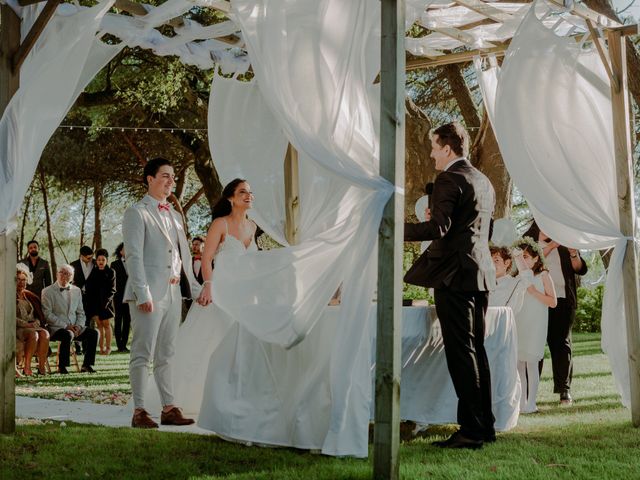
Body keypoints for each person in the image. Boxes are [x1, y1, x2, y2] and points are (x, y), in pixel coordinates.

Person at [404, 122, 496, 449]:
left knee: (461, 353)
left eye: (433, 148)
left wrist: (392, 228)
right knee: (476, 351)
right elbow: (479, 231)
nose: (431, 154)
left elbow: (438, 229)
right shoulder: (482, 180)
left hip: (455, 277)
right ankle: (485, 426)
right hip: (480, 274)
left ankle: (471, 431)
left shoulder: (448, 178)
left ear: (447, 148)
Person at [122, 157, 201, 429]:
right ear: (150, 179)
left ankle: (168, 407)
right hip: (148, 293)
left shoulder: (175, 215)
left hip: (173, 291)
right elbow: (133, 256)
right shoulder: (137, 212)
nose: (171, 181)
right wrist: (143, 293)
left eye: (173, 177)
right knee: (143, 352)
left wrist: (194, 285)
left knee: (167, 353)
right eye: (165, 175)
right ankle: (140, 410)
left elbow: (184, 256)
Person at [524, 220, 588, 405]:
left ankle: (564, 389)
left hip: (563, 298)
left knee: (562, 344)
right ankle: (530, 391)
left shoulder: (565, 236)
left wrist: (573, 253)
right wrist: (551, 245)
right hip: (536, 299)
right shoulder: (529, 241)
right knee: (535, 343)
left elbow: (580, 269)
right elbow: (525, 262)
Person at [512, 239, 557, 414]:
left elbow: (553, 302)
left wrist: (534, 292)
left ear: (536, 259)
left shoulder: (544, 275)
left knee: (531, 362)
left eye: (525, 256)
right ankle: (522, 402)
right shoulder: (518, 277)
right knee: (519, 363)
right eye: (520, 256)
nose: (522, 260)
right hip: (520, 320)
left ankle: (532, 402)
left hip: (536, 322)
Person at [41, 264, 98, 374]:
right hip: (56, 328)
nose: (64, 276)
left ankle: (86, 365)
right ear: (57, 274)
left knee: (94, 333)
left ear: (72, 277)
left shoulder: (77, 291)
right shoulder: (47, 291)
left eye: (68, 274)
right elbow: (47, 314)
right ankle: (62, 367)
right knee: (67, 334)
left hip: (75, 327)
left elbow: (81, 312)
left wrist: (78, 326)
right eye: (62, 272)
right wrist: (66, 326)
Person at [16, 264, 50, 376]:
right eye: (19, 280)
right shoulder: (9, 296)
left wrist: (37, 322)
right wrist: (26, 325)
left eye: (24, 280)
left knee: (45, 333)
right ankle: (27, 367)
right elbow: (10, 317)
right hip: (18, 327)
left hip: (32, 325)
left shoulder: (29, 295)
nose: (21, 282)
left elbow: (37, 313)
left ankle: (41, 367)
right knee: (33, 334)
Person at [86, 248, 116, 355]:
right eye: (99, 260)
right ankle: (101, 348)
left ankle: (108, 348)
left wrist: (106, 302)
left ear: (106, 260)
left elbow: (112, 289)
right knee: (99, 325)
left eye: (103, 259)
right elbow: (88, 287)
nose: (101, 262)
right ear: (96, 261)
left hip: (106, 303)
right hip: (95, 303)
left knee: (106, 325)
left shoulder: (111, 272)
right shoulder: (93, 271)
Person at [111, 243, 131, 353]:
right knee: (118, 320)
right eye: (125, 249)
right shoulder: (114, 264)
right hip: (118, 296)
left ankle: (124, 345)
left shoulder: (134, 263)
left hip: (131, 297)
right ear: (121, 251)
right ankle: (119, 345)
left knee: (128, 320)